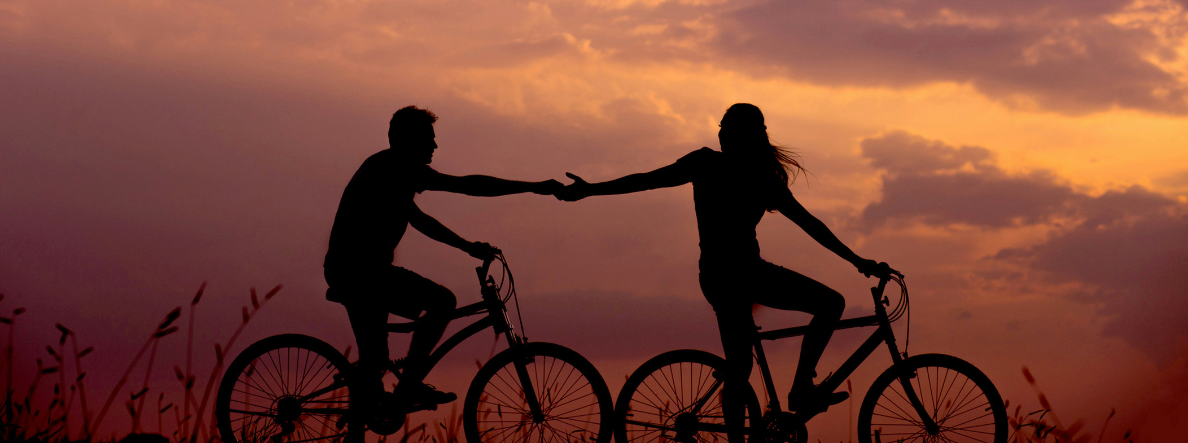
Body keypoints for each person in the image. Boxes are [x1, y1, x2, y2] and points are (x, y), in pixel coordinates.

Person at [556, 103, 893, 443]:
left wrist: (857, 260)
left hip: (720, 276)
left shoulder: (733, 170)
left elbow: (810, 224)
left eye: (726, 128)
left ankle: (753, 428)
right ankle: (802, 388)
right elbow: (646, 181)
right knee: (829, 304)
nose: (720, 133)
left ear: (743, 135)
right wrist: (858, 261)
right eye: (721, 127)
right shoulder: (733, 170)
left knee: (740, 367)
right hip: (742, 274)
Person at [324, 105, 563, 413]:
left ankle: (378, 396)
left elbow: (421, 216)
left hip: (364, 273)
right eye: (429, 138)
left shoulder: (390, 169)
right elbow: (464, 188)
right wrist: (533, 187)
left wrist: (467, 245)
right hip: (358, 274)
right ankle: (407, 385)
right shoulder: (393, 169)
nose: (435, 146)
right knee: (441, 302)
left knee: (375, 365)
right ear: (409, 140)